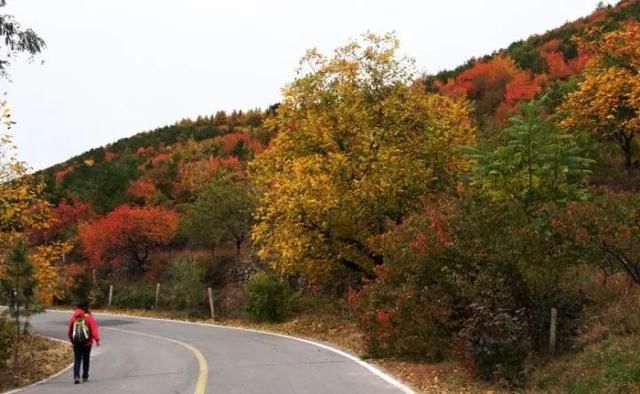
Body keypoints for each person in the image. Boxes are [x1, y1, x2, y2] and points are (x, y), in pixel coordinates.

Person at [68, 301, 100, 384]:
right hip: (87, 343)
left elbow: (69, 331)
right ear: (85, 308)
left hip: (76, 343)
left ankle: (76, 376)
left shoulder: (73, 317)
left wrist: (72, 341)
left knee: (77, 359)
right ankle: (85, 376)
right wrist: (97, 340)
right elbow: (94, 330)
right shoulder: (89, 317)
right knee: (86, 359)